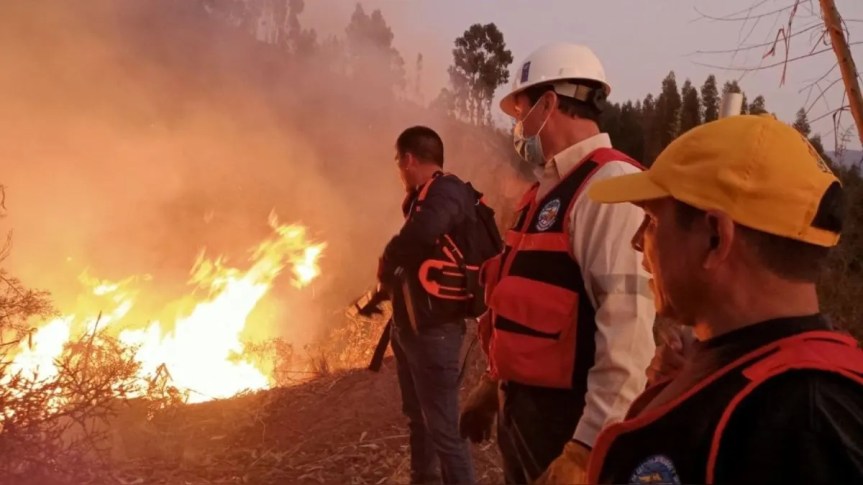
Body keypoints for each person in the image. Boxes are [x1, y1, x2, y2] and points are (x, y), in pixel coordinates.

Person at [585, 114, 863, 484]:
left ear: (715, 237)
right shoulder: (763, 388)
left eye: (652, 221)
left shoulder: (801, 426)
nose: (639, 243)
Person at [458, 42, 656, 484]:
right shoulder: (543, 194)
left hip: (571, 427)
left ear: (548, 104)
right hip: (525, 419)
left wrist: (587, 451)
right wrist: (495, 384)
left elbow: (627, 337)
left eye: (520, 111)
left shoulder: (612, 188)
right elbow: (522, 300)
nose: (516, 127)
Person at [378, 126, 483, 484]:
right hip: (415, 329)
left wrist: (386, 259)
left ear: (408, 159)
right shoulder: (427, 195)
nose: (398, 170)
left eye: (397, 162)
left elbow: (422, 233)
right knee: (419, 418)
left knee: (444, 431)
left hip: (435, 334)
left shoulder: (447, 190)